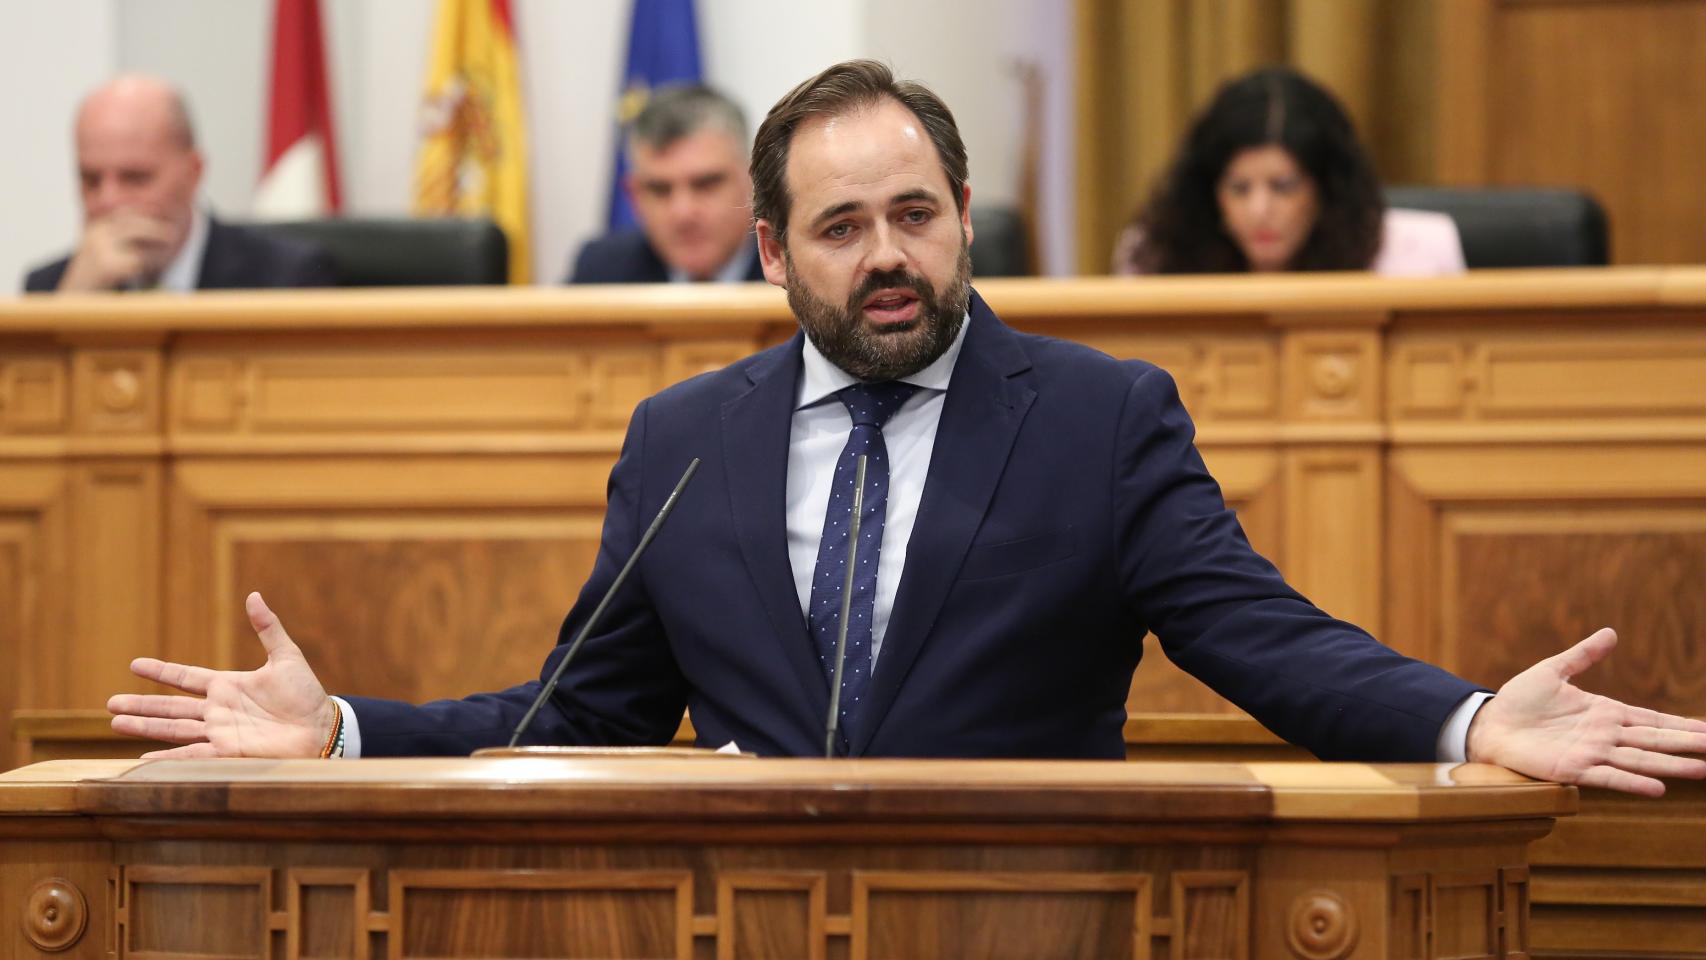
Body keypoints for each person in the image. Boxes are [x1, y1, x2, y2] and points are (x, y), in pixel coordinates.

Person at [111, 61, 1705, 799]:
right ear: (769, 253)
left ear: (960, 224)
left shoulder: (1097, 420)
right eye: (841, 225)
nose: (885, 254)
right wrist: (340, 736)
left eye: (915, 215)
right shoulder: (684, 443)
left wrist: (1467, 716)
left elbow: (1263, 642)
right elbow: (571, 719)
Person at [1114, 66, 1464, 277]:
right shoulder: (1155, 258)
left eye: (1283, 186)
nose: (1260, 210)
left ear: (1326, 190)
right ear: (1211, 194)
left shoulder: (1414, 257)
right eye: (1239, 188)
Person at [23, 74, 334, 294]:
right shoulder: (50, 288)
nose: (108, 200)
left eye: (135, 178)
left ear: (194, 173)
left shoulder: (287, 279)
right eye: (91, 180)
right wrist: (67, 313)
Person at [566, 84, 765, 284]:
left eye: (705, 184)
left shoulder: (792, 268)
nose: (683, 213)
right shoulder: (601, 271)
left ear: (754, 183)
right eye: (659, 190)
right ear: (634, 197)